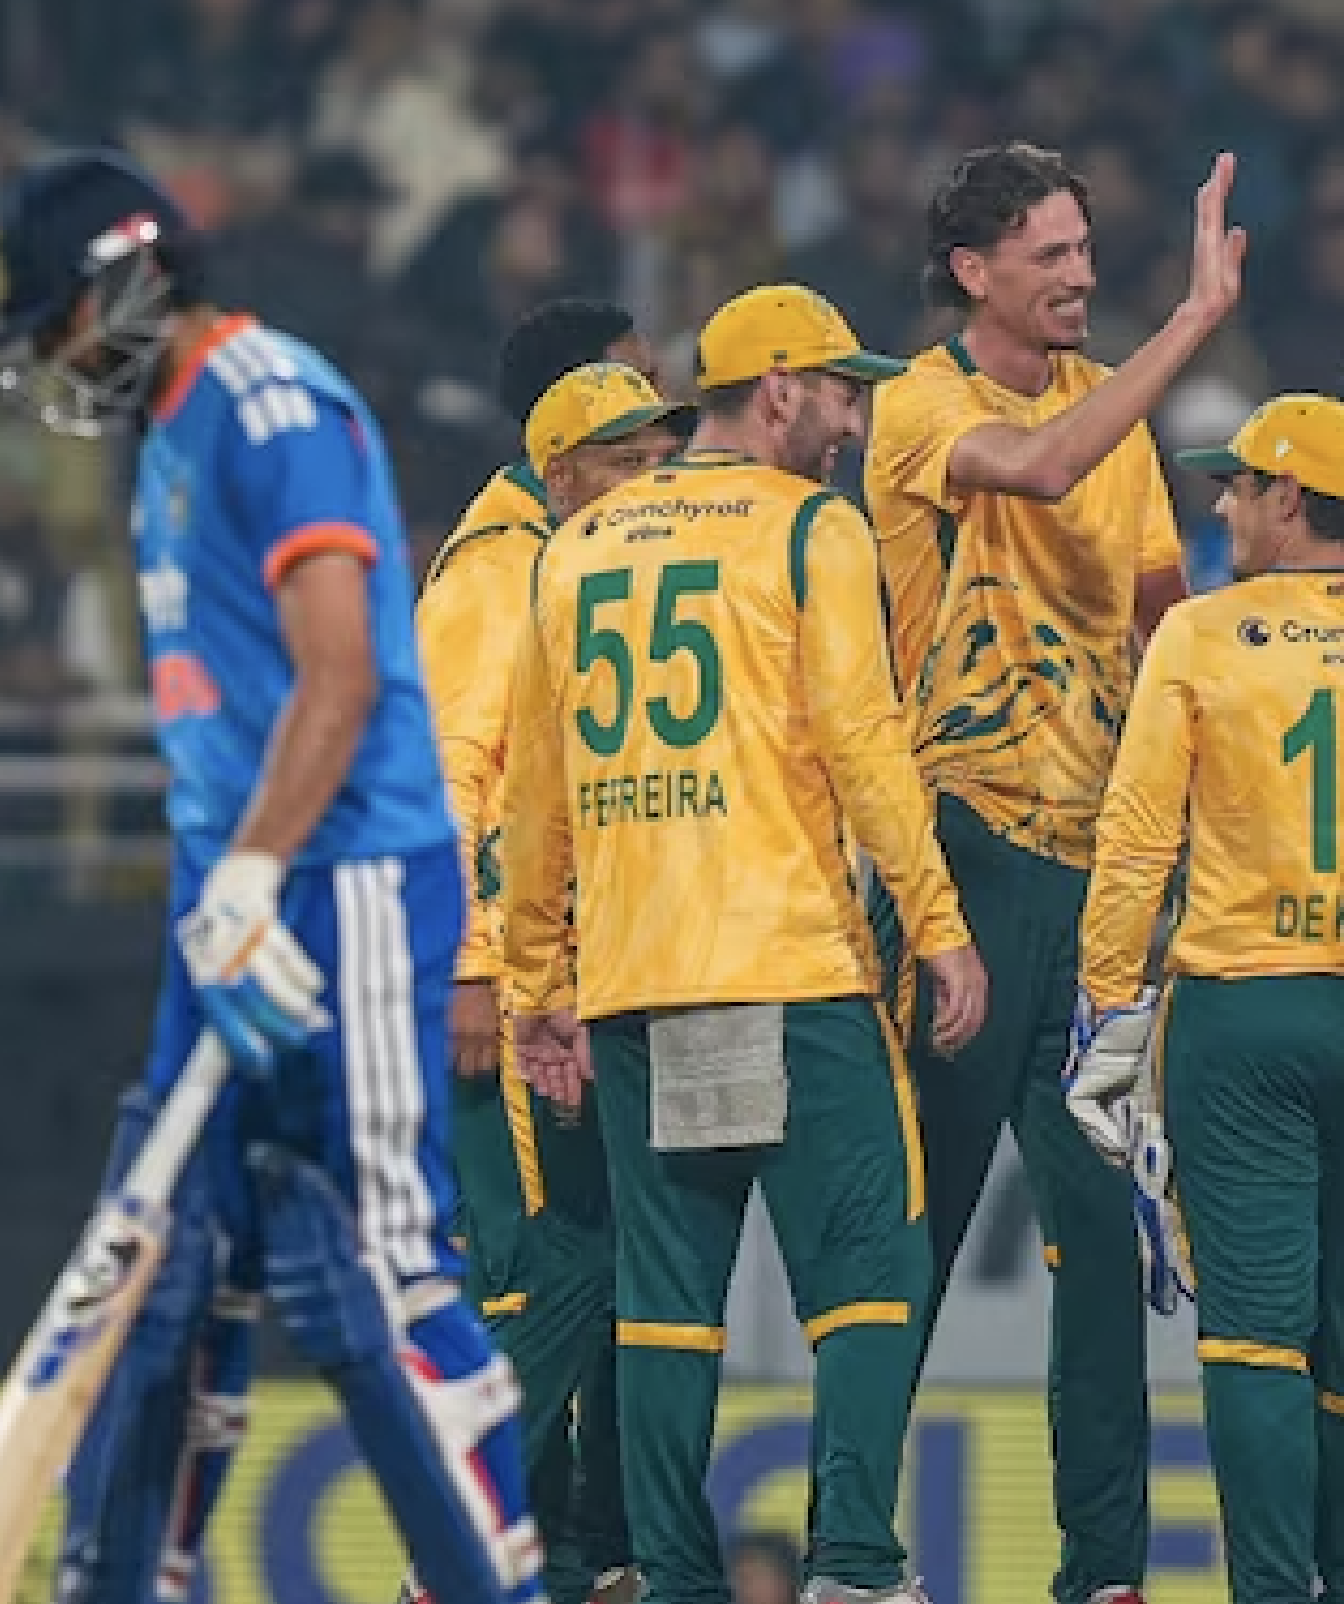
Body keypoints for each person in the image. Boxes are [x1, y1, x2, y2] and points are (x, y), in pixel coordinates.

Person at [0, 149, 545, 1604]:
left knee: (383, 1256)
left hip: (343, 877)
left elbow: (339, 679)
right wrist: (218, 891)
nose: (56, 359)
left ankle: (497, 1582)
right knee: (170, 1265)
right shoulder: (167, 433)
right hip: (229, 885)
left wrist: (249, 879)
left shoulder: (268, 400)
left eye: (58, 321)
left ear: (129, 275)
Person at [498, 283, 991, 1604]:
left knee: (666, 1302)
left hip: (637, 984)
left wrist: (538, 979)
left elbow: (535, 795)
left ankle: (672, 1578)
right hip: (790, 965)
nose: (851, 423)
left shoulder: (576, 548)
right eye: (838, 393)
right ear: (776, 389)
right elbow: (864, 745)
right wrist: (938, 924)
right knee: (874, 1269)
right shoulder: (809, 529)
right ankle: (853, 1565)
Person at [860, 140, 1243, 1604]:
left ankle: (1103, 1574)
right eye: (1051, 255)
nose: (1081, 276)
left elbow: (1162, 622)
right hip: (959, 863)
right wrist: (1194, 320)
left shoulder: (1114, 416)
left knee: (1100, 1240)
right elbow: (1038, 466)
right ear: (973, 272)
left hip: (1097, 888)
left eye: (1086, 250)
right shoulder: (919, 405)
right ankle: (853, 1554)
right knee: (917, 1228)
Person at [1068, 392, 1344, 1604]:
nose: (1222, 505)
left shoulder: (1200, 634)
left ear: (1290, 497)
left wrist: (1104, 1007)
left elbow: (1136, 837)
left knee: (1255, 1329)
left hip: (1241, 1012)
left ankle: (1271, 1588)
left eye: (1240, 484)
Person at [414, 314, 689, 1604]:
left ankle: (574, 1557)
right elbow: (449, 779)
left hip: (572, 974)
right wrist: (471, 968)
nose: (652, 450)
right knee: (549, 1261)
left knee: (605, 1260)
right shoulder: (498, 573)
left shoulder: (569, 556)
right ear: (557, 447)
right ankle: (456, 1546)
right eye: (623, 419)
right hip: (514, 985)